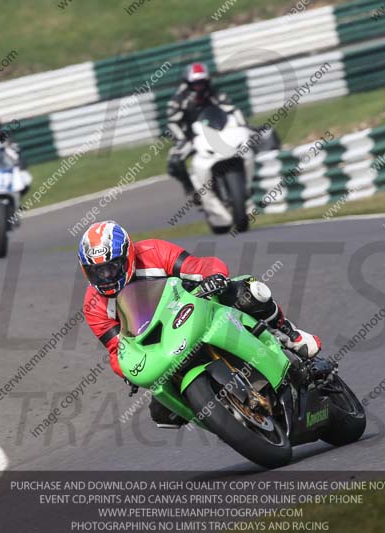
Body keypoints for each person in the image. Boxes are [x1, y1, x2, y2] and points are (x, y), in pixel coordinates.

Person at [78, 220, 321, 428]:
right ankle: (225, 416)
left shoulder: (153, 252)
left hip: (196, 307)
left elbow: (198, 266)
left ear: (128, 255)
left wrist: (213, 277)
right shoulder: (94, 305)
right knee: (162, 414)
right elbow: (117, 348)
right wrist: (128, 371)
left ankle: (290, 335)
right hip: (161, 346)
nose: (107, 277)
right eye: (97, 272)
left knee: (250, 292)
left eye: (112, 267)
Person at [166, 62, 246, 197]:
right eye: (196, 83)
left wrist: (244, 125)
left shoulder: (214, 93)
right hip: (191, 137)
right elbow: (172, 122)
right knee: (174, 161)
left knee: (250, 140)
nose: (199, 86)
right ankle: (190, 188)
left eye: (202, 82)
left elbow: (232, 109)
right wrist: (181, 139)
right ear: (188, 83)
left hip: (219, 132)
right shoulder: (179, 99)